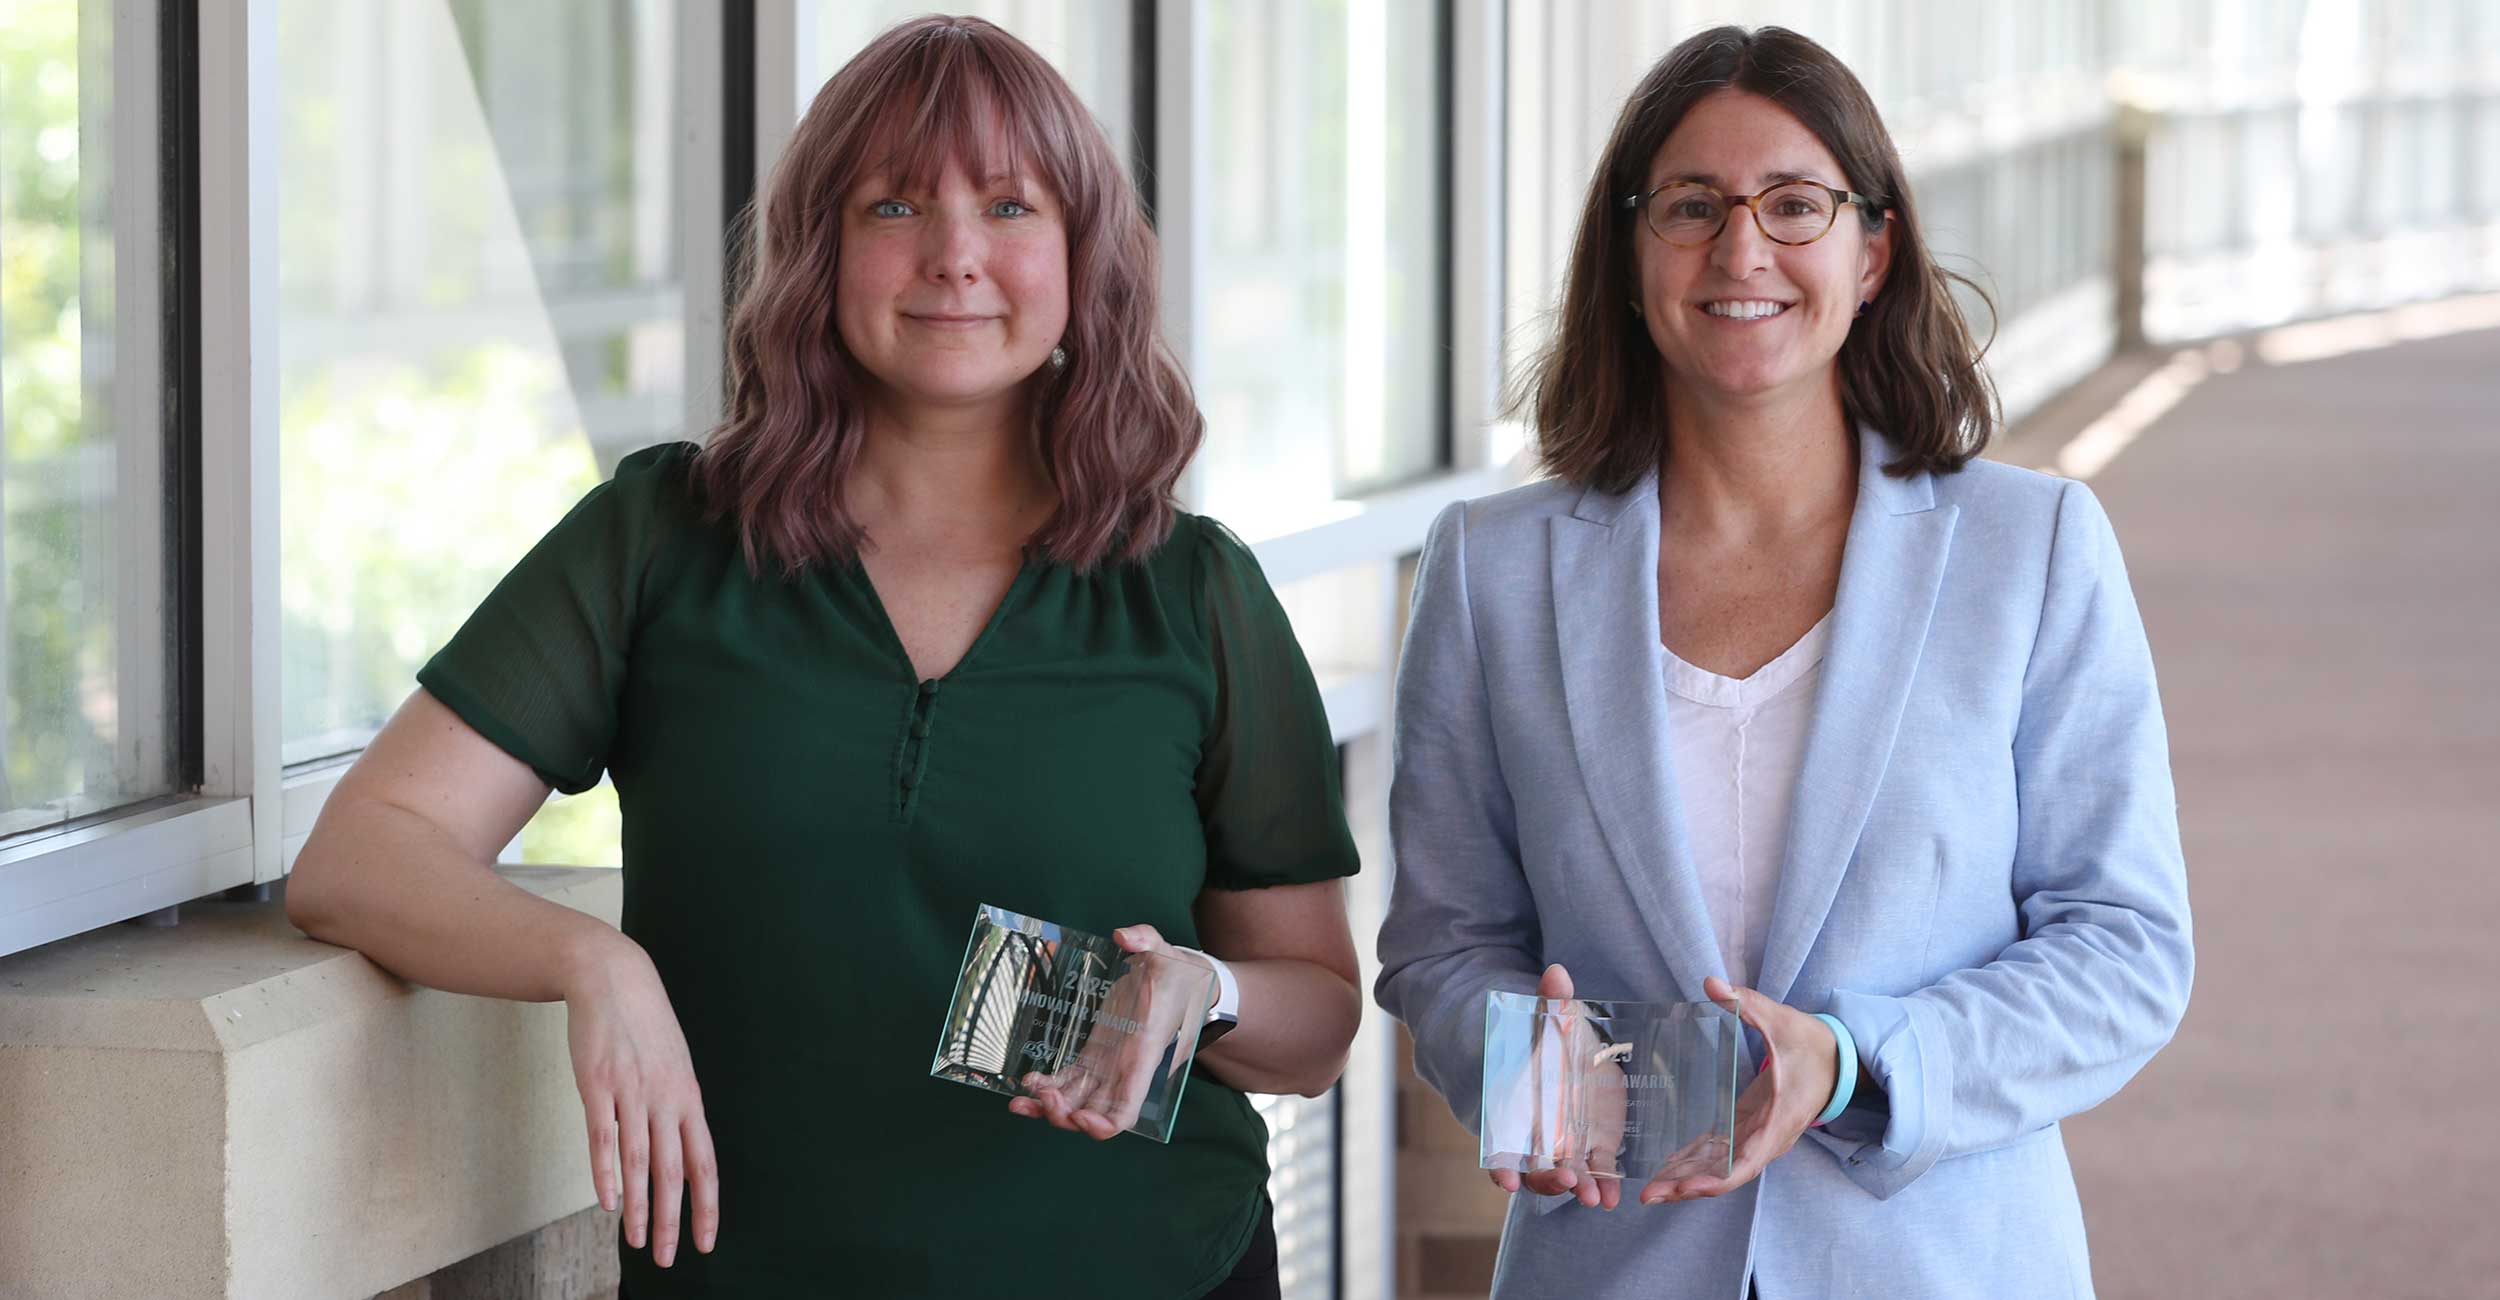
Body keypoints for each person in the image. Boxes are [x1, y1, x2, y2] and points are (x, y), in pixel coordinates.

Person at [286, 16, 1362, 1299]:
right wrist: (594, 963)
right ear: (822, 251)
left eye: (1010, 205)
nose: (954, 256)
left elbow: (1317, 1023)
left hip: (1153, 1266)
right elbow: (361, 856)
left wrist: (1207, 988)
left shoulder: (1193, 594)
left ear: (1081, 258)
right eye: (894, 203)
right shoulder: (659, 543)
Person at [1374, 25, 2192, 1300]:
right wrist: (1514, 1059)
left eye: (1793, 205)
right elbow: (1443, 939)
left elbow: (2124, 945)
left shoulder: (2028, 550)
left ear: (1871, 252)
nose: (1740, 249)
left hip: (1940, 1262)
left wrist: (1857, 1063)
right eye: (1691, 206)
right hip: (1611, 1256)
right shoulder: (1492, 569)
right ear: (1631, 252)